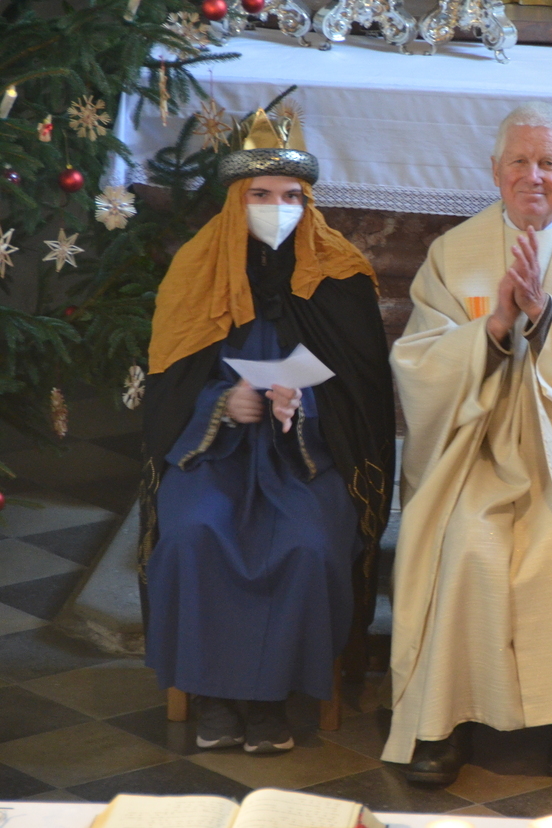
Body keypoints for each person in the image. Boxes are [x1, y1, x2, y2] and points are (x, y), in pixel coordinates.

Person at [383, 102, 552, 784]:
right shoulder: (453, 255)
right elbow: (417, 364)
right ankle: (442, 722)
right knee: (465, 542)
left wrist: (548, 316)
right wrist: (495, 328)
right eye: (520, 162)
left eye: (549, 163)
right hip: (473, 452)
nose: (534, 176)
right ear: (495, 170)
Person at [139, 109, 394, 754]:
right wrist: (221, 404)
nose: (277, 209)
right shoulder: (196, 270)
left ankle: (269, 698)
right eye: (260, 195)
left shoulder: (341, 274)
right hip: (212, 455)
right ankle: (215, 695)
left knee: (307, 544)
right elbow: (167, 387)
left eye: (290, 196)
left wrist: (303, 407)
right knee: (195, 534)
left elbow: (365, 396)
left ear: (308, 202)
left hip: (308, 459)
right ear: (235, 199)